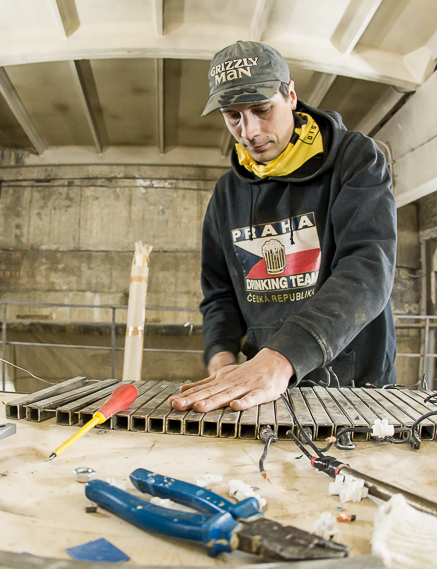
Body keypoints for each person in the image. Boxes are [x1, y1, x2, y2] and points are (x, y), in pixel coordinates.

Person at [169, 41, 397, 414]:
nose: (251, 131)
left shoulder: (356, 160)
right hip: (264, 388)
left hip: (355, 384)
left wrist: (283, 357)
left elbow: (368, 270)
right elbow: (219, 293)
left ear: (290, 95)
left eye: (262, 110)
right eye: (233, 116)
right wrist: (222, 358)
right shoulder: (228, 193)